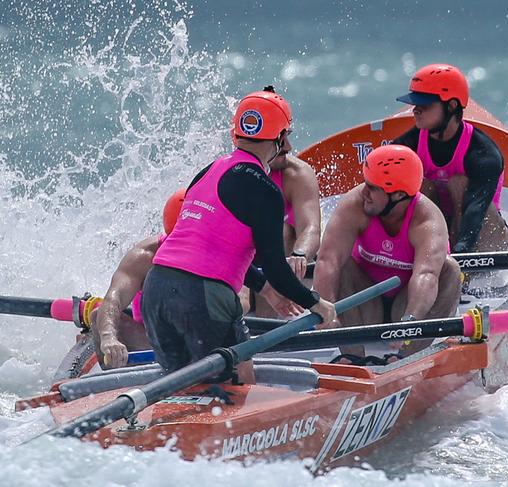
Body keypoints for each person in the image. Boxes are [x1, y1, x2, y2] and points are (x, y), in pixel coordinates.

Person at [141, 86, 337, 381]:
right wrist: (315, 302)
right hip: (202, 296)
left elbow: (211, 251)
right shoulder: (265, 189)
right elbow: (274, 265)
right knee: (239, 379)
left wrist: (267, 291)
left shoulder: (208, 171)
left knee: (180, 388)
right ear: (281, 139)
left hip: (156, 288)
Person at [93, 189, 298, 370]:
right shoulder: (142, 256)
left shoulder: (220, 246)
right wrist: (108, 338)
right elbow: (114, 299)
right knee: (98, 318)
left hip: (204, 328)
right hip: (154, 337)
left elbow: (242, 303)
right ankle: (117, 376)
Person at [313, 145, 461, 362]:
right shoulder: (355, 205)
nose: (363, 193)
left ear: (399, 195)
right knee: (340, 263)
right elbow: (328, 260)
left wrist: (410, 322)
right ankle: (351, 358)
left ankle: (404, 358)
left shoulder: (427, 220)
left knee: (450, 271)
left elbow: (426, 276)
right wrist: (325, 312)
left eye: (372, 188)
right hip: (364, 303)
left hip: (405, 305)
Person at [393, 63, 508, 253]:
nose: (415, 110)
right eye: (415, 104)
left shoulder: (484, 154)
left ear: (451, 106)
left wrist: (460, 253)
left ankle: (459, 266)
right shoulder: (406, 145)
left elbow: (476, 210)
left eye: (424, 104)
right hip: (436, 229)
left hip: (481, 234)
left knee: (458, 183)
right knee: (421, 185)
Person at [254, 151, 321, 317]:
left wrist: (300, 255)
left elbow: (310, 229)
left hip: (274, 262)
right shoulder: (233, 174)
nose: (288, 147)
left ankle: (266, 327)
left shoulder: (297, 173)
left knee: (281, 232)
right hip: (245, 264)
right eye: (280, 142)